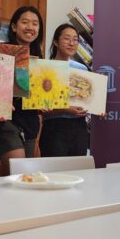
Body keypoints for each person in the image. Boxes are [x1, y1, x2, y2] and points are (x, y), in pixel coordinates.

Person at [0, 6, 44, 176]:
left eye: (35, 23)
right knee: (16, 162)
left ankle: (4, 201)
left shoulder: (39, 58)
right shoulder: (1, 51)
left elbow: (38, 93)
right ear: (14, 27)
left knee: (20, 175)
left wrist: (44, 103)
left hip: (29, 121)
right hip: (5, 118)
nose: (30, 27)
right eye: (25, 22)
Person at [38, 23, 89, 157]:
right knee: (54, 173)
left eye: (75, 39)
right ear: (55, 41)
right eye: (67, 38)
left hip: (79, 128)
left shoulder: (82, 69)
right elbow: (41, 105)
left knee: (78, 173)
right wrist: (66, 109)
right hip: (54, 128)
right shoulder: (45, 68)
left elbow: (86, 101)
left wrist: (96, 109)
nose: (72, 43)